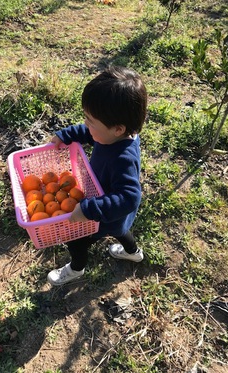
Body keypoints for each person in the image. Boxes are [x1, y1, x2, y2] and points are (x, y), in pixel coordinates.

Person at [47, 65, 147, 286]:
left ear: (118, 129)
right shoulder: (110, 135)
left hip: (104, 213)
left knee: (77, 240)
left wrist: (88, 209)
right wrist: (66, 135)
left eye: (91, 121)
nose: (86, 125)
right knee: (122, 231)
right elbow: (88, 134)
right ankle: (133, 252)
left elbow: (130, 197)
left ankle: (76, 268)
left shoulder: (123, 157)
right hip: (114, 215)